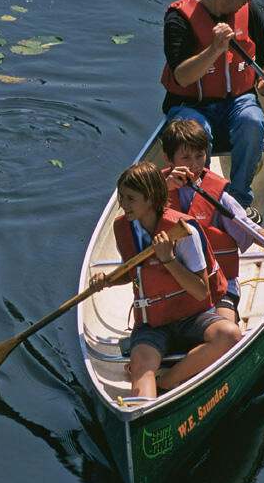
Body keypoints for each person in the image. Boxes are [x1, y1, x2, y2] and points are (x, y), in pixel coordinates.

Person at [90, 161, 241, 399]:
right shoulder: (124, 228)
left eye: (130, 198)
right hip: (153, 323)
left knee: (230, 335)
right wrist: (107, 280)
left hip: (191, 317)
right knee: (141, 365)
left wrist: (169, 260)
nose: (123, 205)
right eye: (121, 197)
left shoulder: (183, 231)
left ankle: (167, 383)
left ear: (150, 198)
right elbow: (133, 273)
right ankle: (142, 411)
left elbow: (201, 291)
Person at [160, 0, 264, 222]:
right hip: (189, 105)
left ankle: (237, 202)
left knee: (252, 120)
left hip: (236, 101)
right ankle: (199, 200)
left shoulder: (248, 12)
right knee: (195, 134)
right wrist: (215, 49)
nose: (248, 1)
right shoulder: (178, 20)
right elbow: (181, 76)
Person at [160, 119, 264, 324]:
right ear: (168, 158)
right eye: (185, 157)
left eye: (200, 156)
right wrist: (164, 190)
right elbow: (134, 219)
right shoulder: (153, 193)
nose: (194, 165)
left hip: (218, 284)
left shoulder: (219, 198)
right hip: (171, 285)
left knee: (226, 327)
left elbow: (251, 228)